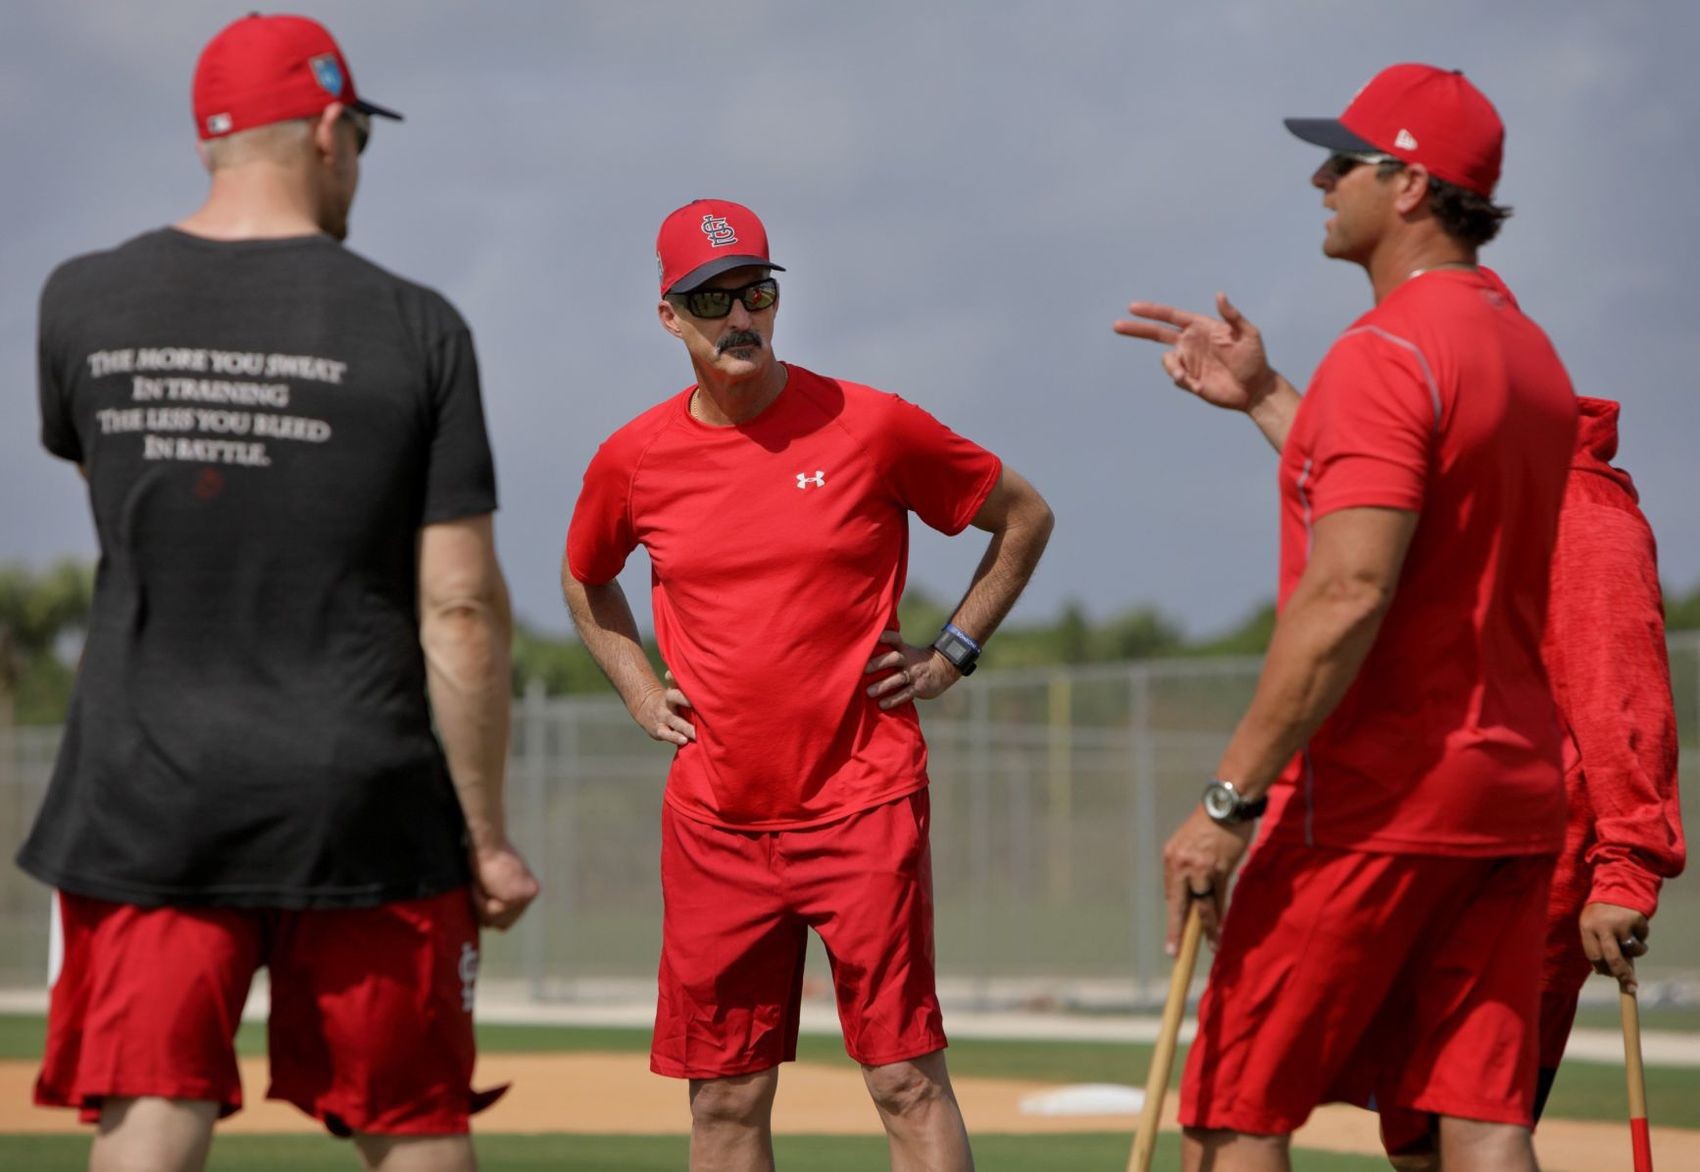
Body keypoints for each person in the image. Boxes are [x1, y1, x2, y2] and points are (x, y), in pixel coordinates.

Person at [18, 15, 538, 1172]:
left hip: (147, 797)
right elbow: (458, 606)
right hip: (364, 797)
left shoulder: (79, 302)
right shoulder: (416, 326)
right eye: (357, 134)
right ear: (325, 131)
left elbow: (123, 503)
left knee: (149, 1120)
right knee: (413, 1130)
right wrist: (487, 838)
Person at [1113, 63, 1578, 1171]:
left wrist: (1227, 800)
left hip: (1380, 792)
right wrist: (1271, 397)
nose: (1321, 179)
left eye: (1344, 161)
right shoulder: (1530, 354)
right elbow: (1426, 530)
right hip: (1509, 791)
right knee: (1475, 1112)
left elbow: (1349, 589)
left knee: (1237, 1108)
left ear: (1408, 185)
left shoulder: (1383, 353)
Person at [562, 198, 1053, 1172]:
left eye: (756, 291)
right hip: (715, 821)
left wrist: (953, 648)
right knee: (725, 1097)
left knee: (905, 1077)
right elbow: (585, 576)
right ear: (669, 316)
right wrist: (634, 683)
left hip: (862, 801)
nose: (738, 316)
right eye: (711, 299)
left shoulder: (869, 424)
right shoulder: (633, 457)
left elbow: (1022, 514)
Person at [1378, 393, 1688, 1166]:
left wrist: (1625, 870)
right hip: (1444, 868)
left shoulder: (1579, 510)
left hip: (1525, 876)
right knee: (1420, 1136)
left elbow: (1625, 699)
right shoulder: (1475, 503)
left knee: (1472, 1126)